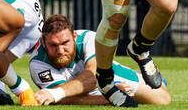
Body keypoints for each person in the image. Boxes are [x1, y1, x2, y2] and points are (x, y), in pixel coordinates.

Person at [29, 15, 171, 106]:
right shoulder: (38, 63)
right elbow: (62, 100)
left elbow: (93, 77)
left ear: (74, 36)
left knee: (163, 98)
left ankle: (141, 75)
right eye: (53, 45)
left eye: (65, 43)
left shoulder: (89, 38)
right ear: (43, 41)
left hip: (107, 79)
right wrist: (109, 97)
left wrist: (55, 93)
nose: (60, 51)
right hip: (90, 89)